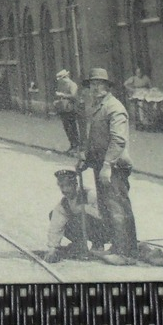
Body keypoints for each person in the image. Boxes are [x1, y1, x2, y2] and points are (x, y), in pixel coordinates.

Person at [79, 67, 138, 262]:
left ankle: (124, 252)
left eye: (99, 84)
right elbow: (93, 137)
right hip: (100, 163)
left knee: (117, 207)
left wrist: (107, 165)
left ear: (107, 86)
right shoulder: (97, 107)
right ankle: (118, 246)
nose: (95, 88)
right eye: (92, 85)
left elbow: (118, 140)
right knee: (106, 206)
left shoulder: (114, 107)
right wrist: (85, 159)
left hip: (114, 165)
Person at [44, 168, 109, 261]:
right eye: (62, 186)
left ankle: (98, 245)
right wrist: (52, 248)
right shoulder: (64, 204)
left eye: (68, 186)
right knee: (53, 214)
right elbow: (56, 226)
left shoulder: (90, 194)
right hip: (84, 229)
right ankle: (79, 245)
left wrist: (85, 208)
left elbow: (104, 215)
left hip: (105, 231)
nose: (65, 190)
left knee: (81, 216)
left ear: (75, 185)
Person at [51, 68, 81, 152]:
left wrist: (62, 95)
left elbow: (74, 96)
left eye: (62, 79)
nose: (61, 81)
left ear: (66, 77)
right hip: (64, 109)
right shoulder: (63, 85)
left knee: (72, 128)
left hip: (70, 109)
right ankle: (72, 145)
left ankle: (76, 146)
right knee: (67, 128)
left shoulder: (72, 85)